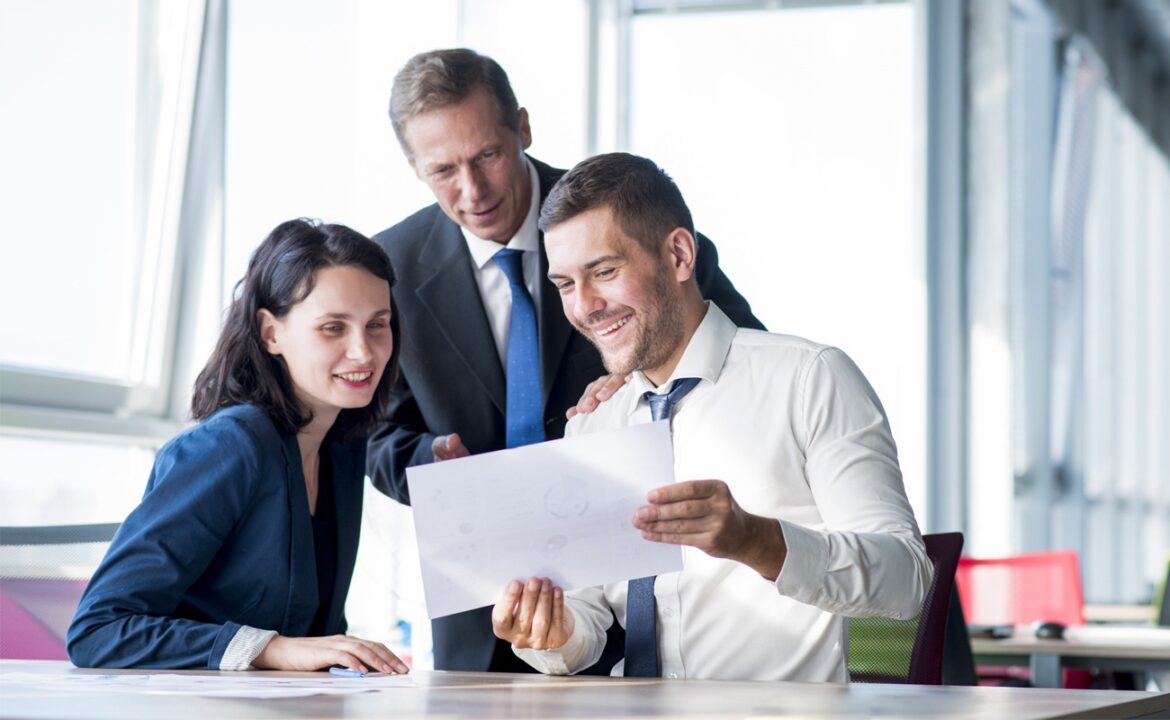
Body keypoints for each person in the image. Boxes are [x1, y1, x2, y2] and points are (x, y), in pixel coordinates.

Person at [365, 48, 764, 673]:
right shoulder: (388, 266)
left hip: (642, 587)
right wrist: (430, 459)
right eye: (443, 169)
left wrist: (645, 374)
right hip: (483, 609)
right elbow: (376, 434)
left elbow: (742, 358)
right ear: (413, 168)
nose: (472, 191)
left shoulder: (623, 215)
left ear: (522, 128)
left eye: (488, 156)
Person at [490, 153, 932, 682]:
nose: (584, 306)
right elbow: (587, 623)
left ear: (678, 255)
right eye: (564, 285)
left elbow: (907, 581)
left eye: (604, 272)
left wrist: (760, 542)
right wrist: (551, 633)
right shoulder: (593, 421)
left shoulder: (809, 379)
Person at [67, 220, 410, 674]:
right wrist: (271, 649)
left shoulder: (343, 446)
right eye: (333, 328)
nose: (364, 352)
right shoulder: (230, 445)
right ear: (270, 333)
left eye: (377, 325)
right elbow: (97, 630)